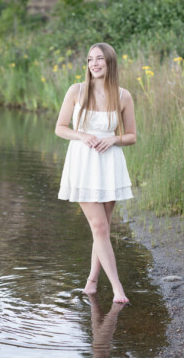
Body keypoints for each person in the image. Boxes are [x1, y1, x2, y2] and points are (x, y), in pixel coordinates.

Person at [55, 42, 136, 304]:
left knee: (102, 229)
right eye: (90, 60)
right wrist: (81, 135)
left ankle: (91, 282)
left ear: (110, 62)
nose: (94, 64)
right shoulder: (77, 91)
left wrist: (113, 140)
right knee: (99, 226)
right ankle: (117, 289)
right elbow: (60, 128)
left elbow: (132, 136)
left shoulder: (123, 95)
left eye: (100, 59)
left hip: (109, 164)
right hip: (83, 162)